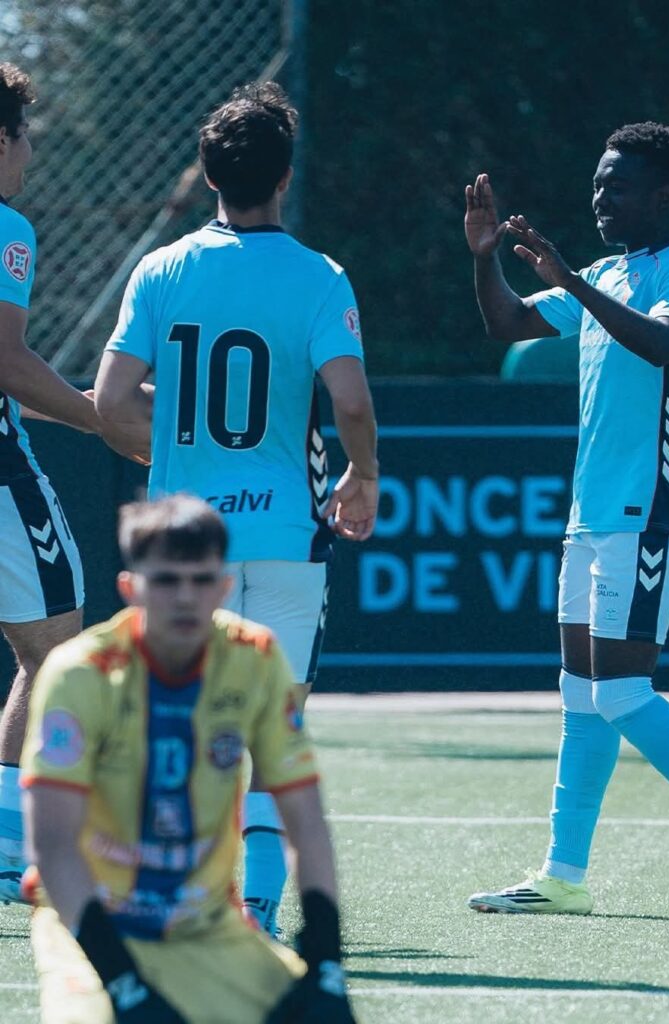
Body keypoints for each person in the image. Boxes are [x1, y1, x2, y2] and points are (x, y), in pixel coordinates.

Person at [463, 122, 669, 921]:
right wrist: (482, 257)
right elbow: (507, 323)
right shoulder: (605, 271)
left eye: (616, 185)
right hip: (592, 513)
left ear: (663, 194)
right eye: (595, 184)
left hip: (648, 508)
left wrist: (572, 283)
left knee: (618, 691)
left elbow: (661, 344)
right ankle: (562, 876)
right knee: (581, 693)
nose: (599, 197)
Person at [93, 81, 378, 936]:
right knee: (272, 729)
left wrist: (162, 448)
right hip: (286, 535)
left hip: (184, 544)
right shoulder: (319, 276)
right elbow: (350, 402)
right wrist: (362, 475)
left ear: (209, 175)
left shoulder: (162, 269)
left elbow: (109, 401)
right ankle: (255, 901)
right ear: (285, 176)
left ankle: (178, 890)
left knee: (181, 723)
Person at [21, 494, 357, 1024]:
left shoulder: (255, 657)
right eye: (165, 581)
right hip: (90, 929)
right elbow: (53, 844)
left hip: (207, 927)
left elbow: (306, 819)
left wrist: (326, 957)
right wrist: (122, 981)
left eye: (201, 581)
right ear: (130, 588)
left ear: (223, 588)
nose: (184, 597)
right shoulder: (79, 672)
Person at [0, 62, 95, 904]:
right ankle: (7, 852)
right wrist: (98, 418)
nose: (30, 152)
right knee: (54, 651)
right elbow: (6, 360)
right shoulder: (6, 227)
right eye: (24, 135)